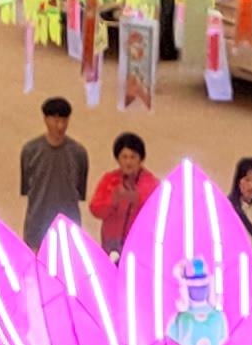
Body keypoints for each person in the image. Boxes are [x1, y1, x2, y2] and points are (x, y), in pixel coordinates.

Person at [21, 97, 89, 250]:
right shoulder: (30, 151)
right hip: (36, 229)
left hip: (68, 230)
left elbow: (79, 191)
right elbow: (27, 188)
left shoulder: (79, 153)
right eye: (55, 120)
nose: (60, 125)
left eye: (64, 120)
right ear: (45, 119)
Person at [93, 132, 158, 257]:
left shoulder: (151, 184)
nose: (129, 162)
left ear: (141, 159)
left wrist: (137, 200)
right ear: (118, 159)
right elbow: (95, 209)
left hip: (141, 246)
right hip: (111, 246)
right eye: (124, 157)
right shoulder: (109, 180)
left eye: (133, 157)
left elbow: (157, 214)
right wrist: (113, 200)